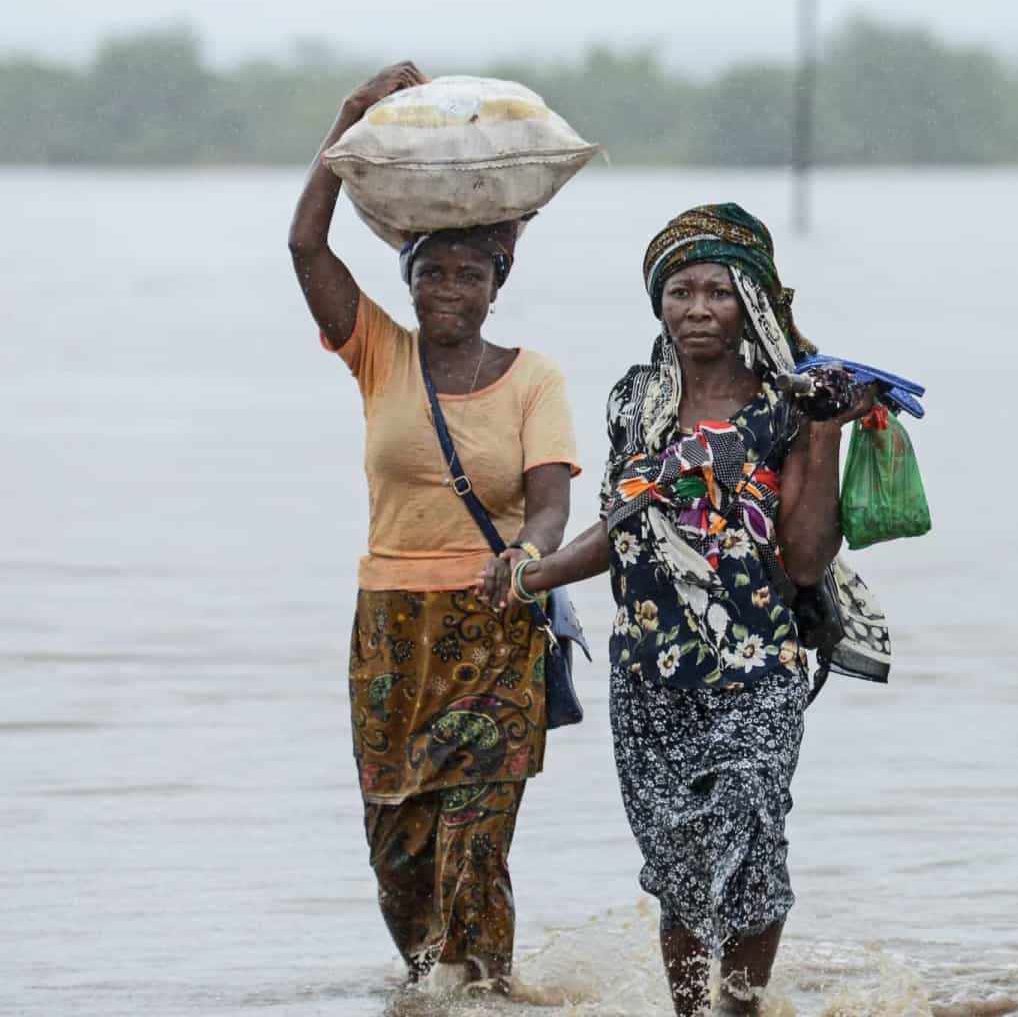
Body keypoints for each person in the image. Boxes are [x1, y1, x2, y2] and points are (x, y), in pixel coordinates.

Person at [516, 204, 878, 1016]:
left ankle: (740, 1008)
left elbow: (806, 558)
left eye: (719, 291)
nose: (698, 310)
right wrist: (532, 577)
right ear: (659, 303)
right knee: (679, 864)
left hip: (758, 668)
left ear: (752, 303)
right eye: (681, 292)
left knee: (751, 832)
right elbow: (620, 525)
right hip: (648, 672)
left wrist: (826, 433)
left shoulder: (789, 405)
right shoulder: (633, 400)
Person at [287, 62, 580, 992]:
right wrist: (349, 117)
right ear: (409, 283)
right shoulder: (381, 353)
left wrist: (530, 555)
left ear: (497, 285)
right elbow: (304, 245)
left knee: (473, 848)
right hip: (390, 632)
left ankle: (486, 996)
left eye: (468, 274)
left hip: (495, 625)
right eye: (432, 273)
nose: (448, 289)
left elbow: (551, 502)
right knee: (399, 848)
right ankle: (431, 994)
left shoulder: (534, 378)